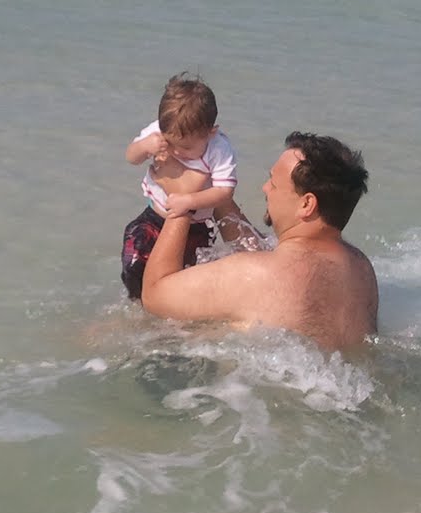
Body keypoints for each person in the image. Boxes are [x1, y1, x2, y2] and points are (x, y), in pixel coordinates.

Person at [141, 132, 379, 353]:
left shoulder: (254, 275)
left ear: (307, 204)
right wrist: (214, 198)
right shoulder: (361, 269)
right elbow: (276, 268)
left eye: (273, 183)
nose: (265, 188)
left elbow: (153, 295)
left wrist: (183, 202)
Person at [120, 73, 243, 300]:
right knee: (134, 259)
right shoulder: (159, 131)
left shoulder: (219, 149)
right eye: (170, 143)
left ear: (211, 132)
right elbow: (130, 157)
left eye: (185, 147)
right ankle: (137, 300)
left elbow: (225, 192)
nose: (176, 151)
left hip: (195, 227)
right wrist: (145, 146)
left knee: (184, 276)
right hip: (153, 216)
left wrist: (189, 201)